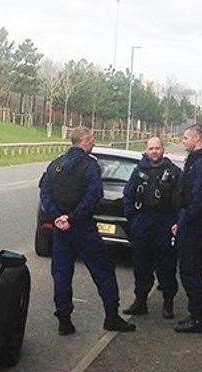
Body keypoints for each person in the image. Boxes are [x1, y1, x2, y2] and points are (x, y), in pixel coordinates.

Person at [39, 126, 136, 335]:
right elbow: (93, 196)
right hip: (83, 228)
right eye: (91, 140)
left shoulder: (55, 165)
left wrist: (58, 217)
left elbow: (45, 194)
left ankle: (64, 321)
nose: (93, 143)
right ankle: (111, 316)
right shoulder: (90, 166)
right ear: (85, 142)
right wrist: (72, 218)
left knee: (62, 275)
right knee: (103, 271)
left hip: (60, 231)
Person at [121, 136, 184, 319]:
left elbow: (182, 201)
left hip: (165, 221)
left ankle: (168, 303)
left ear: (163, 149)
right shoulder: (139, 170)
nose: (154, 151)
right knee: (141, 264)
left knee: (166, 264)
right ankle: (140, 301)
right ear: (147, 150)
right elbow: (128, 195)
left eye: (157, 148)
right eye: (151, 149)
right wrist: (133, 219)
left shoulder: (173, 172)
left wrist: (176, 222)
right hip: (143, 221)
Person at [171, 124, 202, 334]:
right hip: (190, 222)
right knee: (189, 269)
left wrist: (186, 219)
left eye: (185, 138)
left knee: (190, 270)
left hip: (194, 225)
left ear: (197, 139)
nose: (183, 141)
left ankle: (199, 319)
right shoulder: (198, 162)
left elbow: (198, 197)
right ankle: (196, 314)